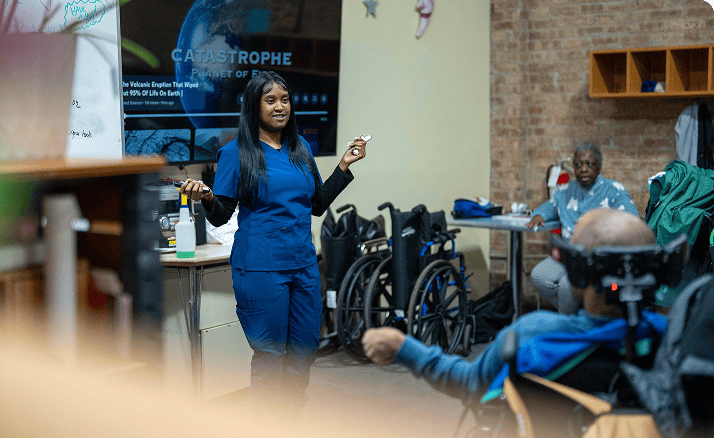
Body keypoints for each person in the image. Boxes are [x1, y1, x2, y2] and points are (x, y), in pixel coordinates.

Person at [180, 71, 367, 412]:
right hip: (261, 267)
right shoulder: (235, 153)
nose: (280, 107)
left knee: (303, 351)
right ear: (255, 106)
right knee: (270, 354)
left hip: (304, 266)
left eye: (285, 99)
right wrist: (206, 197)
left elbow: (317, 204)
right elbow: (221, 215)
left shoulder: (300, 148)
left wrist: (343, 166)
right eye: (270, 101)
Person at [361, 208, 664, 401]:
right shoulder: (674, 336)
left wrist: (402, 346)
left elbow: (470, 383)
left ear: (577, 274)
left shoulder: (533, 334)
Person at [526, 142, 638, 314]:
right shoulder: (564, 191)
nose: (583, 169)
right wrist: (539, 215)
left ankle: (568, 328)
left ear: (599, 167)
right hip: (567, 256)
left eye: (589, 165)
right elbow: (550, 206)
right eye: (578, 165)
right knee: (539, 275)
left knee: (566, 287)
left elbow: (631, 218)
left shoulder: (613, 190)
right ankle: (579, 315)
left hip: (595, 259)